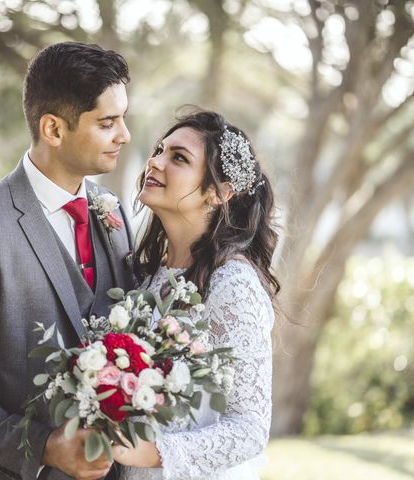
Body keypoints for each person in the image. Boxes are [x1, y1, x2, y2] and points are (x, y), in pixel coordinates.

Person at [0, 42, 134, 480]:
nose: (124, 135)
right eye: (108, 123)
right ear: (53, 129)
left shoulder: (112, 211)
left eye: (122, 119)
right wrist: (46, 448)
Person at [113, 110, 280, 479]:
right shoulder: (147, 277)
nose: (155, 162)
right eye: (159, 150)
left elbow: (250, 429)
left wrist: (152, 452)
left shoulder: (232, 285)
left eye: (179, 158)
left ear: (219, 192)